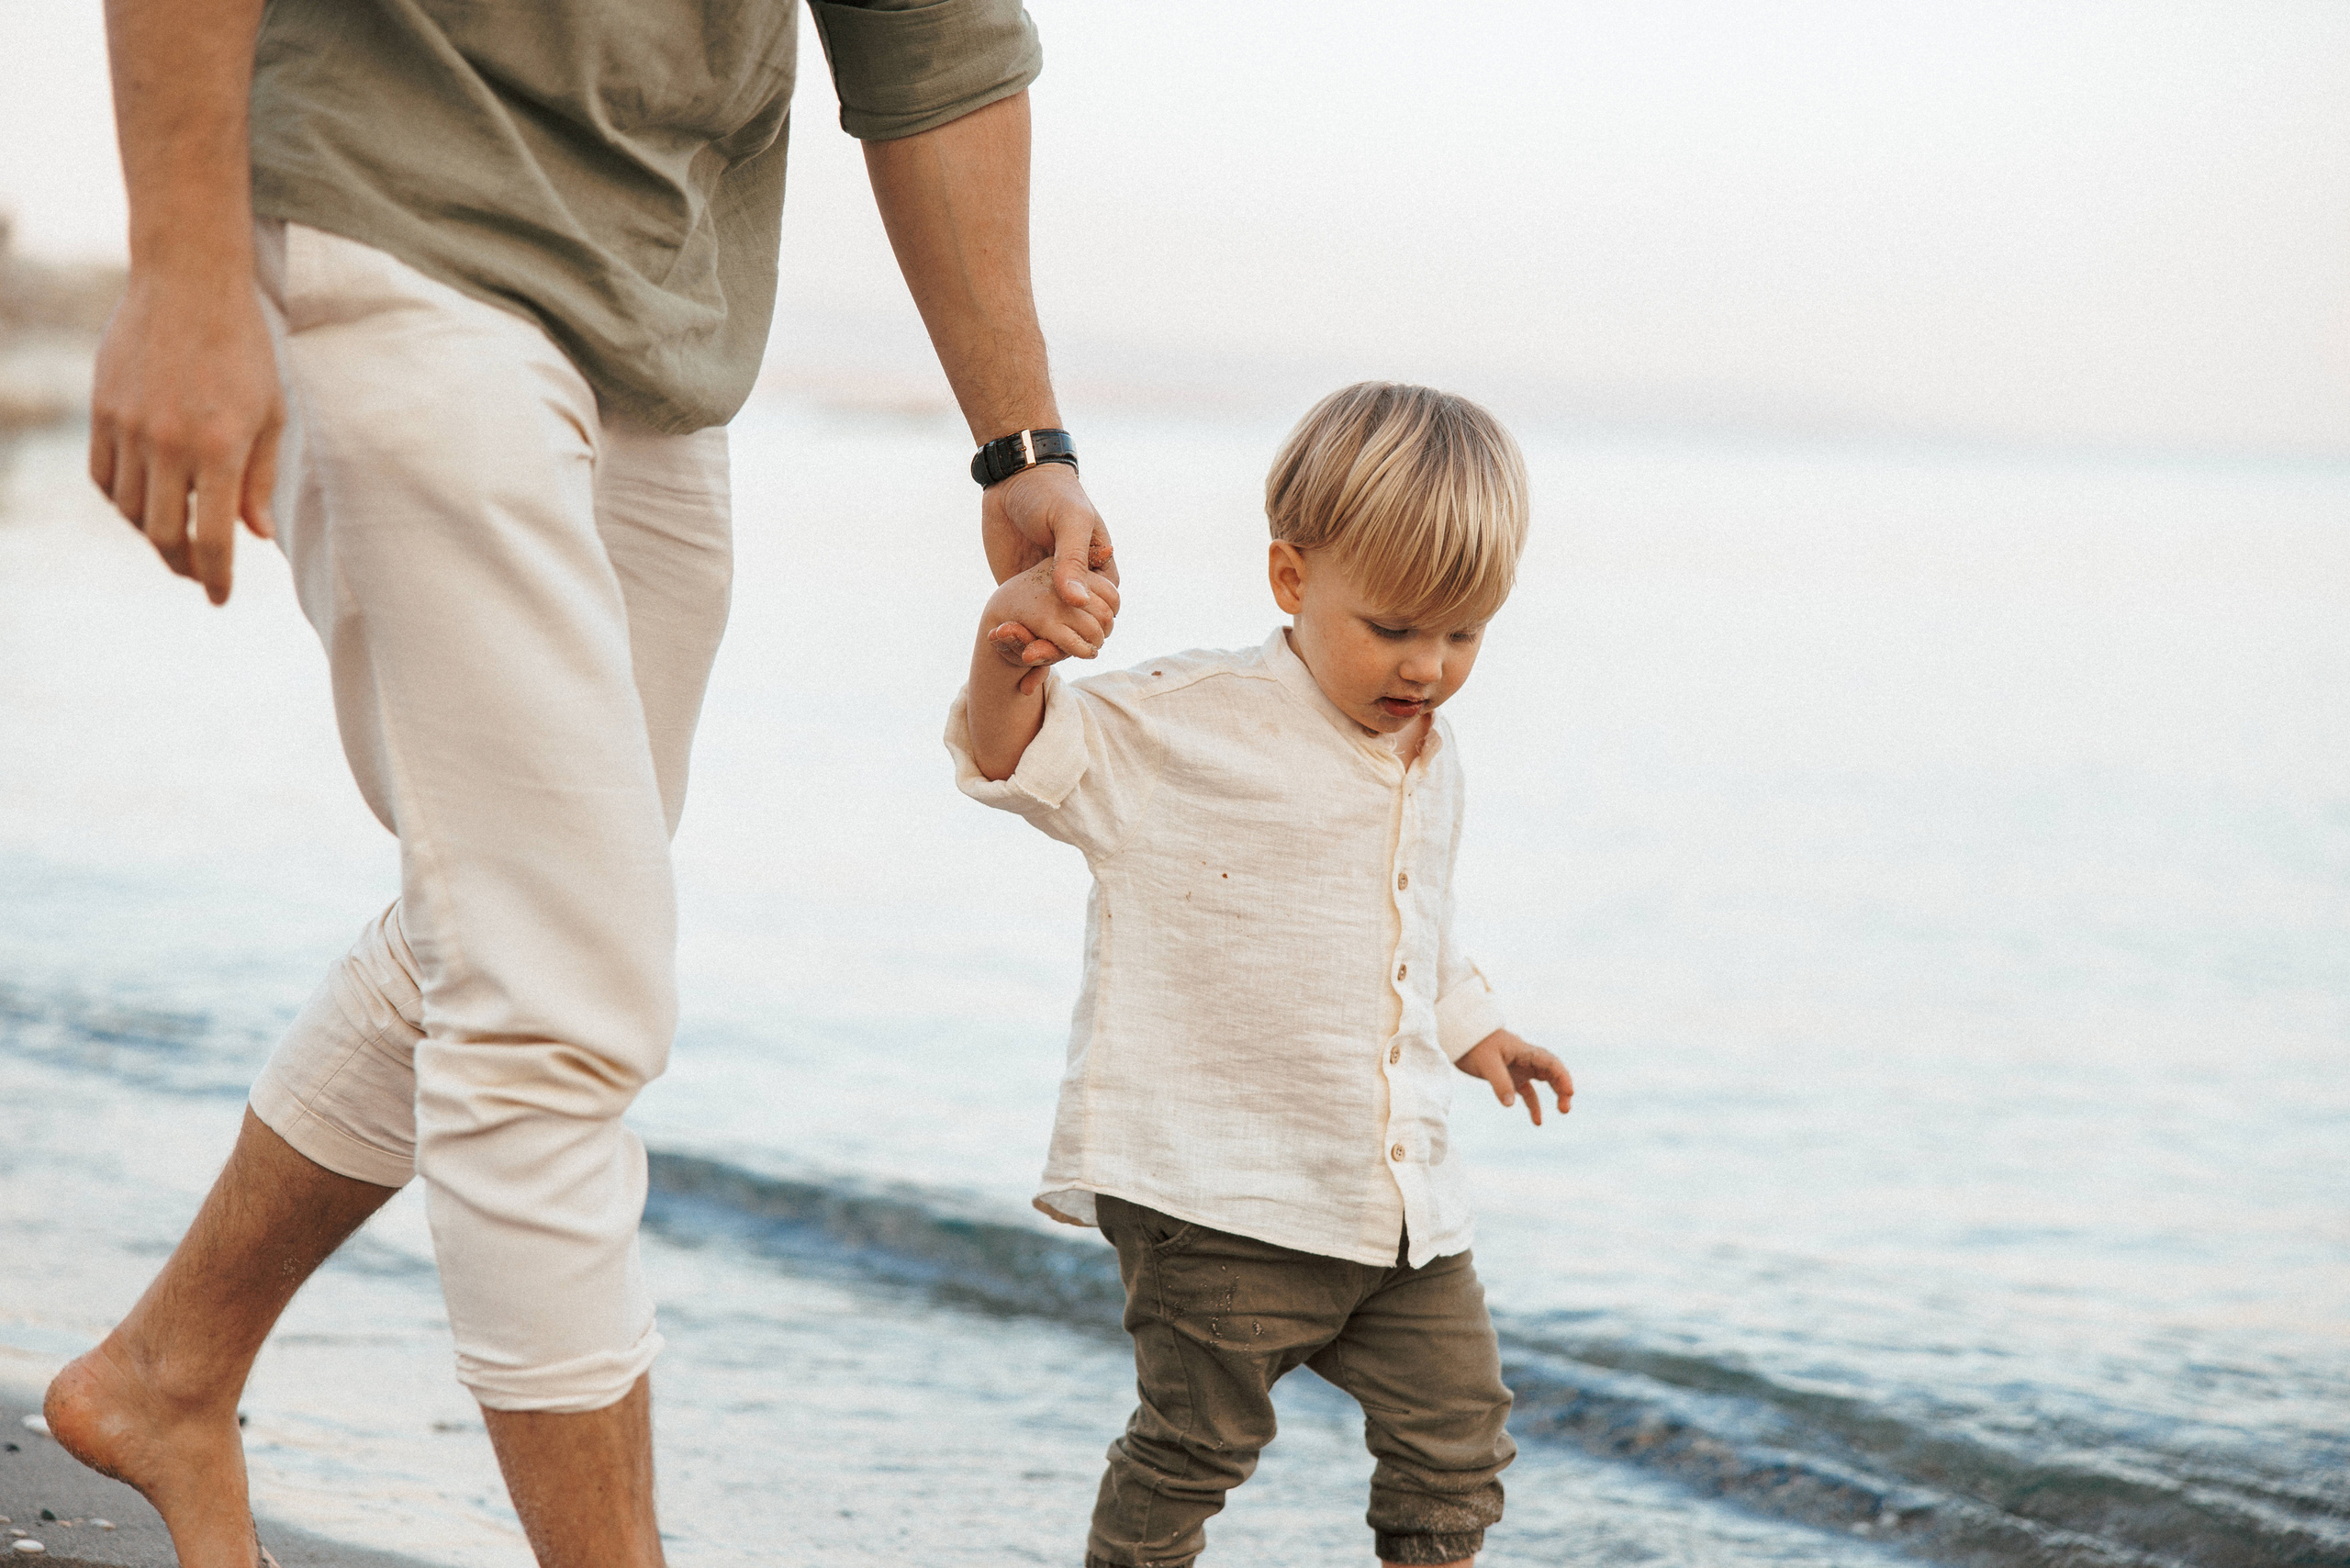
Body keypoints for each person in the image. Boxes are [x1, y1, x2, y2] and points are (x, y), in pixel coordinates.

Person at [45, 2, 1115, 1565]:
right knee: (552, 990)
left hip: (654, 326)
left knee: (507, 930)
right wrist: (184, 266)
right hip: (391, 223)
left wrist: (1021, 446)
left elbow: (930, 49)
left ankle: (164, 1374)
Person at [947, 381, 1574, 1568]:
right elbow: (1016, 756)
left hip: (1393, 1207)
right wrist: (1008, 656)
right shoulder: (1192, 723)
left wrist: (1479, 1029)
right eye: (1395, 628)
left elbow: (1413, 924)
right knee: (1196, 1445)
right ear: (1292, 578)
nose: (1429, 667)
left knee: (1458, 1442)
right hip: (1216, 1196)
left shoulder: (1430, 750)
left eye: (1464, 635)